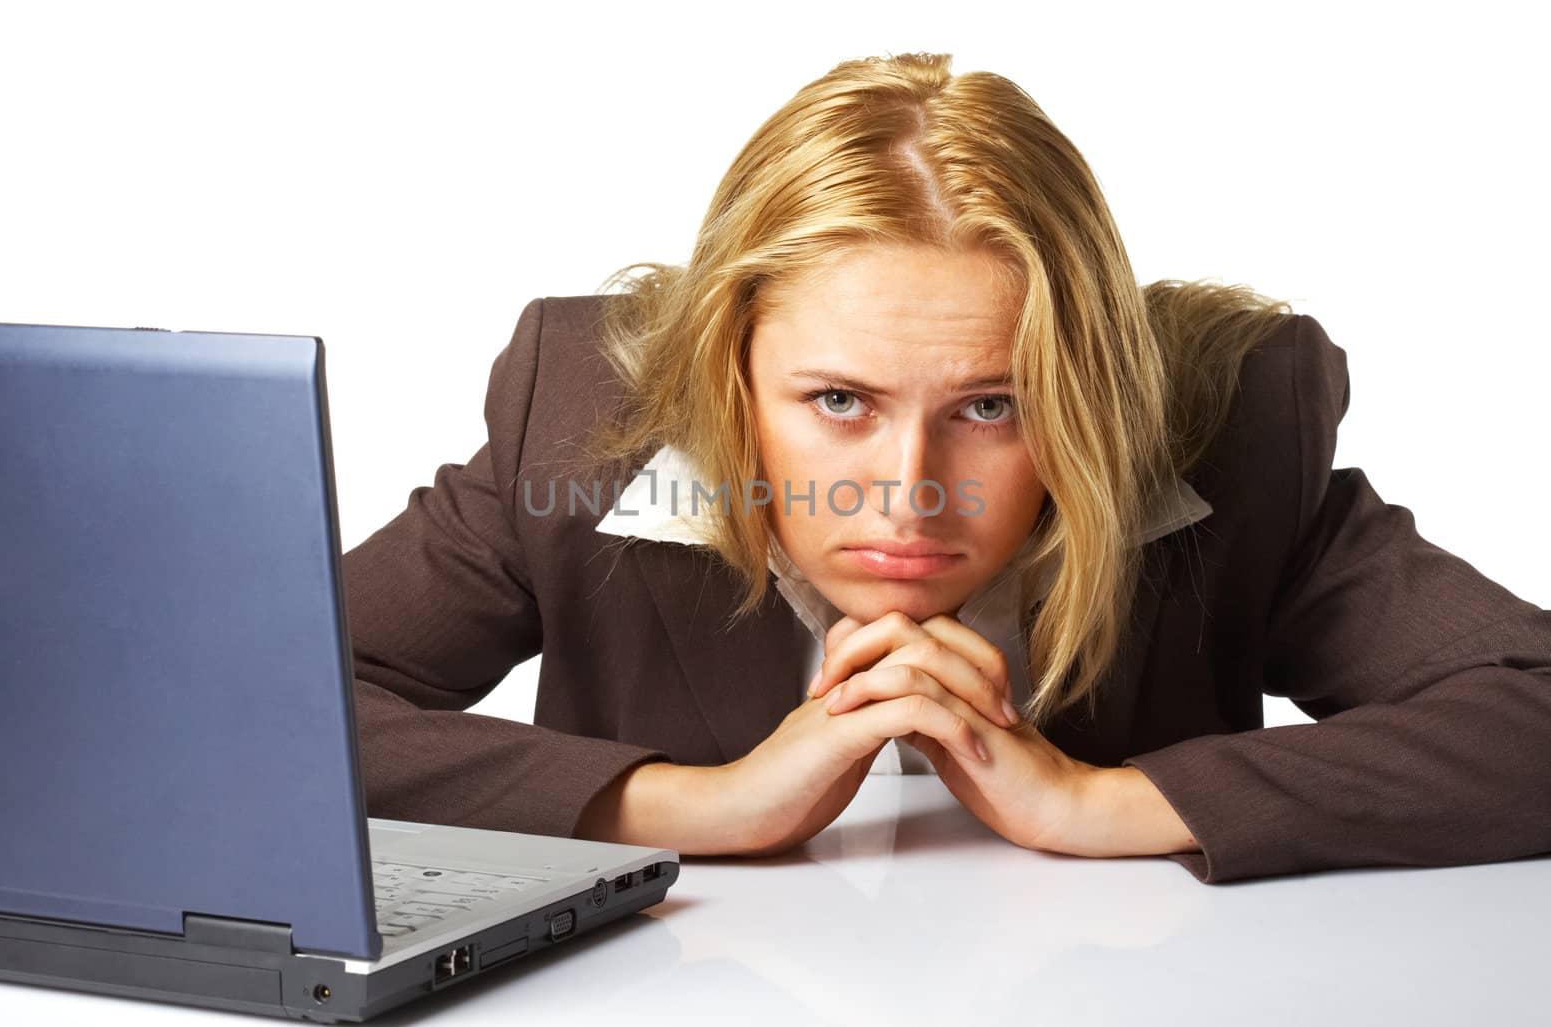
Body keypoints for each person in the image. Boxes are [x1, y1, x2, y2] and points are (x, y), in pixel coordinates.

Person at [343, 52, 1551, 883]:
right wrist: (704, 803)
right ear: (728, 371)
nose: (910, 491)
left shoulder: (1232, 430)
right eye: (836, 402)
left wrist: (1091, 802)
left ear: (1083, 383)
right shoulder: (581, 423)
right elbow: (241, 703)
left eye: (990, 403)